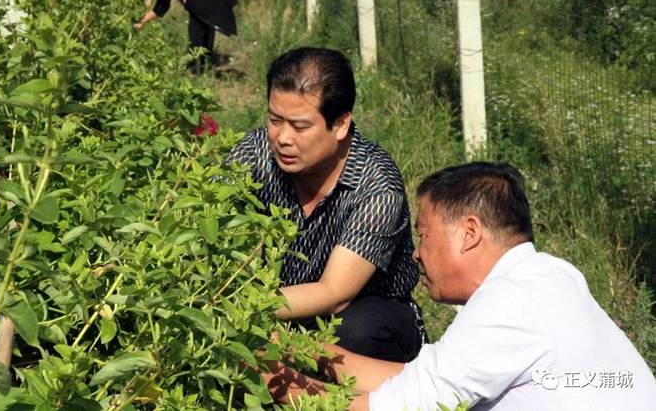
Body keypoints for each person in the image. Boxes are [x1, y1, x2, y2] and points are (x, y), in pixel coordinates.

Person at [262, 162, 656, 410]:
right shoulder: (551, 275)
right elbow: (421, 381)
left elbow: (387, 408)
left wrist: (268, 374)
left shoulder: (510, 304)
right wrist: (305, 348)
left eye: (425, 236)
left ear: (469, 233)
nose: (417, 254)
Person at [227, 47, 426, 362]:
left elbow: (334, 293)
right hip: (284, 305)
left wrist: (233, 306)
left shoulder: (376, 186)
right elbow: (200, 211)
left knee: (354, 331)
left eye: (300, 126)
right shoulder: (257, 151)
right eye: (275, 120)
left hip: (368, 317)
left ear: (341, 124)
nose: (282, 138)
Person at [134, 0, 237, 72]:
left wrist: (142, 21)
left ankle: (197, 68)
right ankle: (203, 64)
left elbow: (163, 5)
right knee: (203, 22)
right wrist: (142, 12)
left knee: (198, 25)